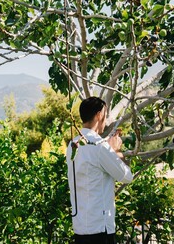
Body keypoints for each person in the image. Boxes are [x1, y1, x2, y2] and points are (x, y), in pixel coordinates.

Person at [66, 97, 133, 244]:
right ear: (99, 115)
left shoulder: (72, 144)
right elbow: (127, 176)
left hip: (80, 226)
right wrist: (116, 151)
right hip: (99, 228)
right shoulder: (99, 146)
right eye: (105, 114)